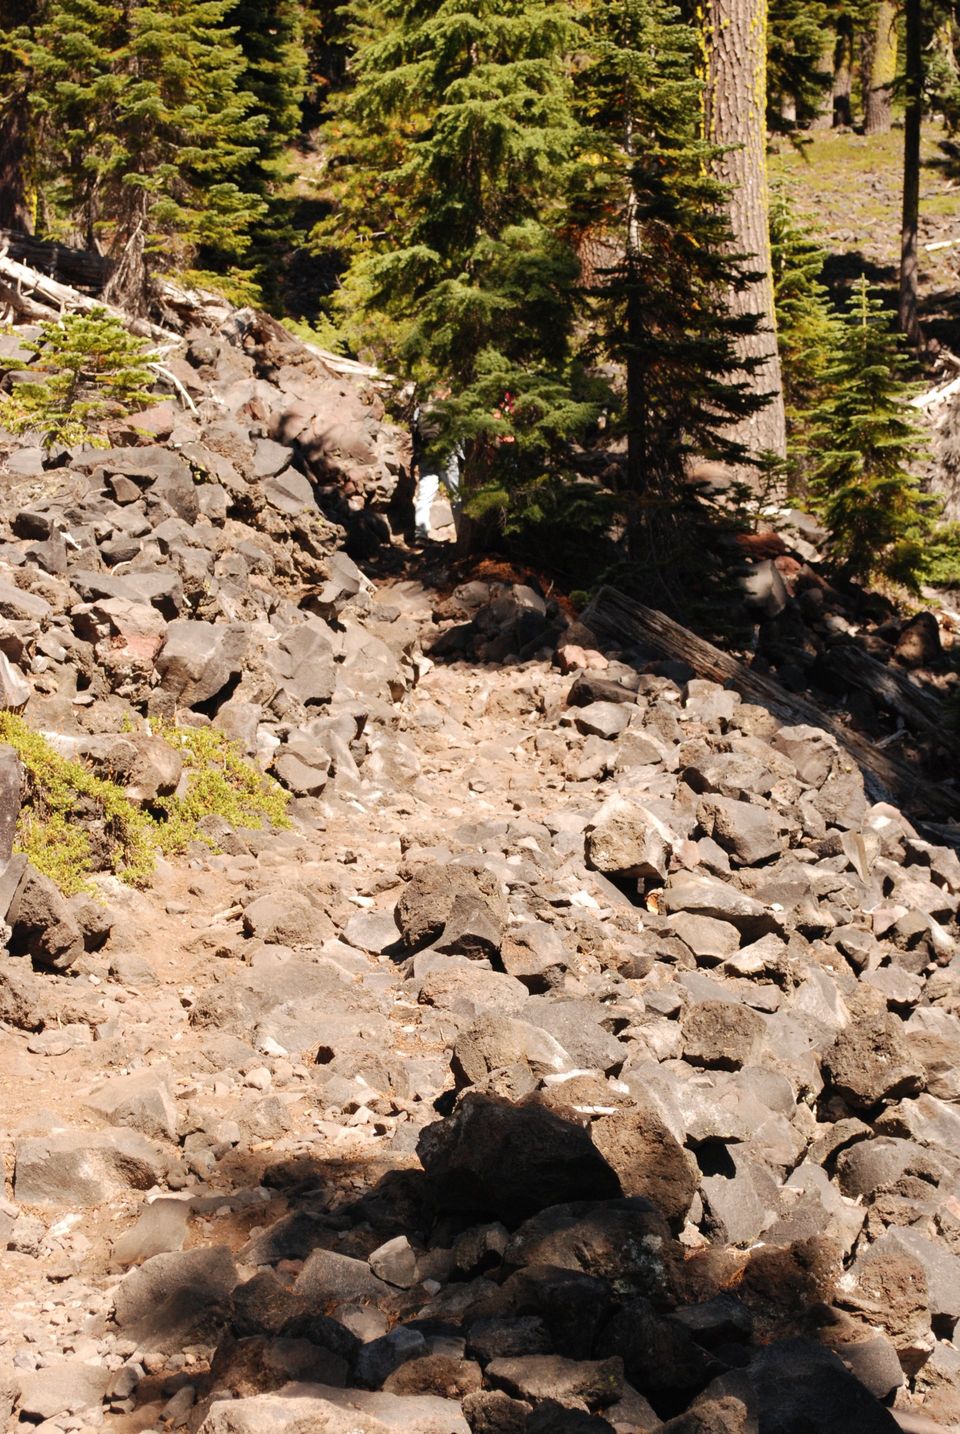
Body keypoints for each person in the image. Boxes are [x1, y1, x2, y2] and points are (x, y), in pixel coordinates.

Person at [412, 387, 463, 542]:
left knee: (425, 496)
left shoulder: (419, 410)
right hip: (447, 457)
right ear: (446, 393)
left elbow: (414, 433)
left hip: (426, 456)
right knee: (456, 496)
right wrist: (461, 456)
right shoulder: (449, 410)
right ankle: (461, 534)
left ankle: (421, 533)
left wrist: (418, 454)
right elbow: (459, 435)